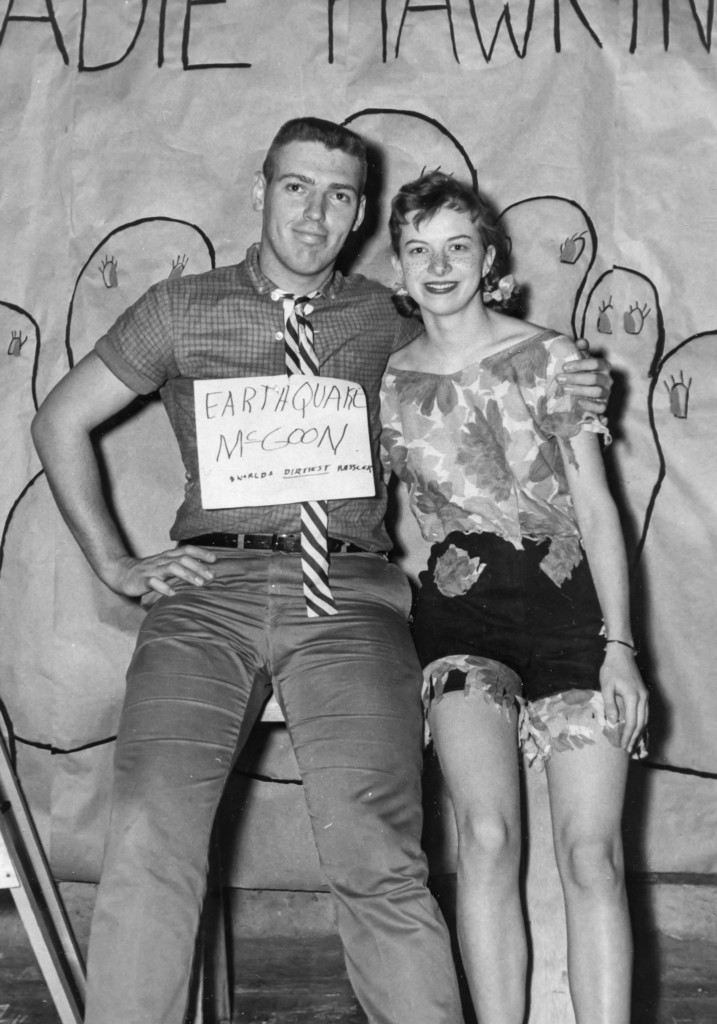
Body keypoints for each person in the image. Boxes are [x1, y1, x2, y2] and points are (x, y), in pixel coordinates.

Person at [31, 118, 610, 1024]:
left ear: (358, 216)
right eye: (297, 187)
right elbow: (59, 419)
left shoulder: (386, 313)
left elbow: (487, 348)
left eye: (340, 195)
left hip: (350, 599)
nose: (315, 211)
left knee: (378, 846)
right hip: (209, 592)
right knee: (149, 828)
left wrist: (576, 378)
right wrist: (114, 562)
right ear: (259, 190)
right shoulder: (181, 308)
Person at [380, 170, 649, 1024]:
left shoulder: (552, 360)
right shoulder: (381, 384)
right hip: (461, 627)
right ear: (397, 265)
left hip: (572, 620)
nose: (438, 264)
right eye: (418, 249)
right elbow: (389, 524)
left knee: (591, 854)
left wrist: (621, 648)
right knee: (486, 839)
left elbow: (599, 509)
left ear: (489, 257)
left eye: (457, 245)